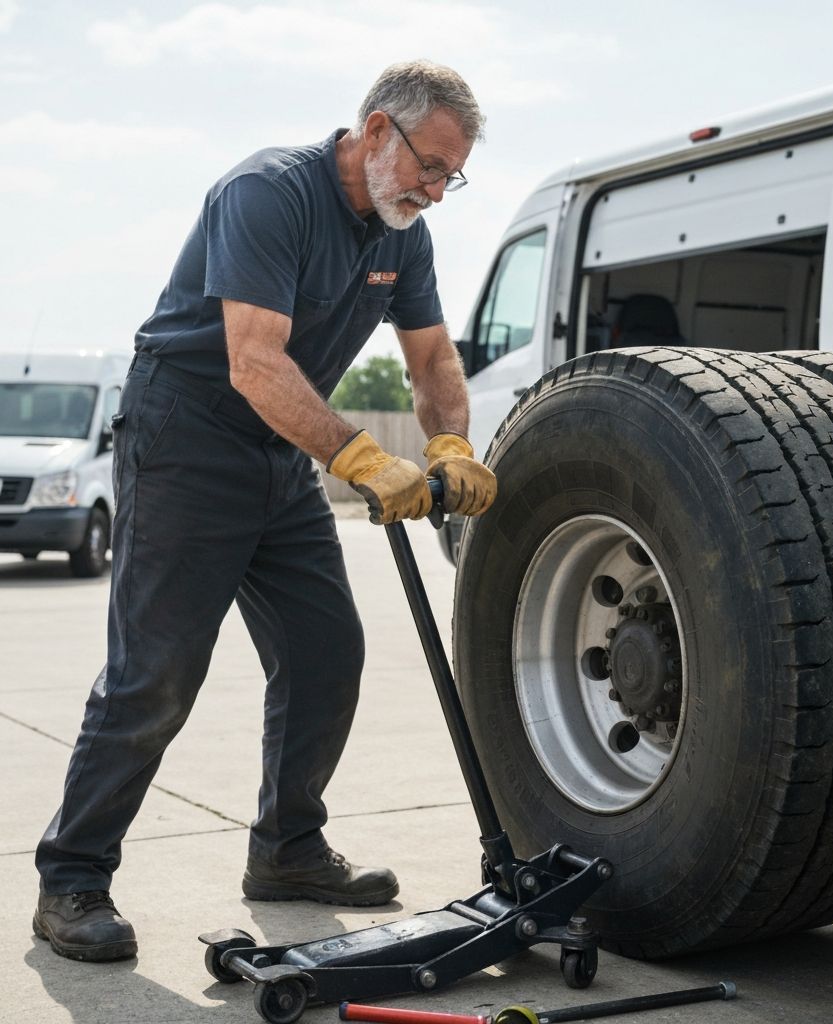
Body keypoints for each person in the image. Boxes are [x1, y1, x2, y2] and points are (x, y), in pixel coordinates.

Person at [32, 60, 497, 963]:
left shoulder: (403, 234)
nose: (439, 191)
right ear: (374, 133)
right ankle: (71, 879)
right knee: (156, 673)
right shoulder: (267, 194)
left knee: (327, 652)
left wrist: (450, 444)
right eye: (431, 167)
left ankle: (288, 850)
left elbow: (434, 358)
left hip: (281, 450)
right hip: (187, 437)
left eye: (453, 175)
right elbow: (253, 361)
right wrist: (359, 456)